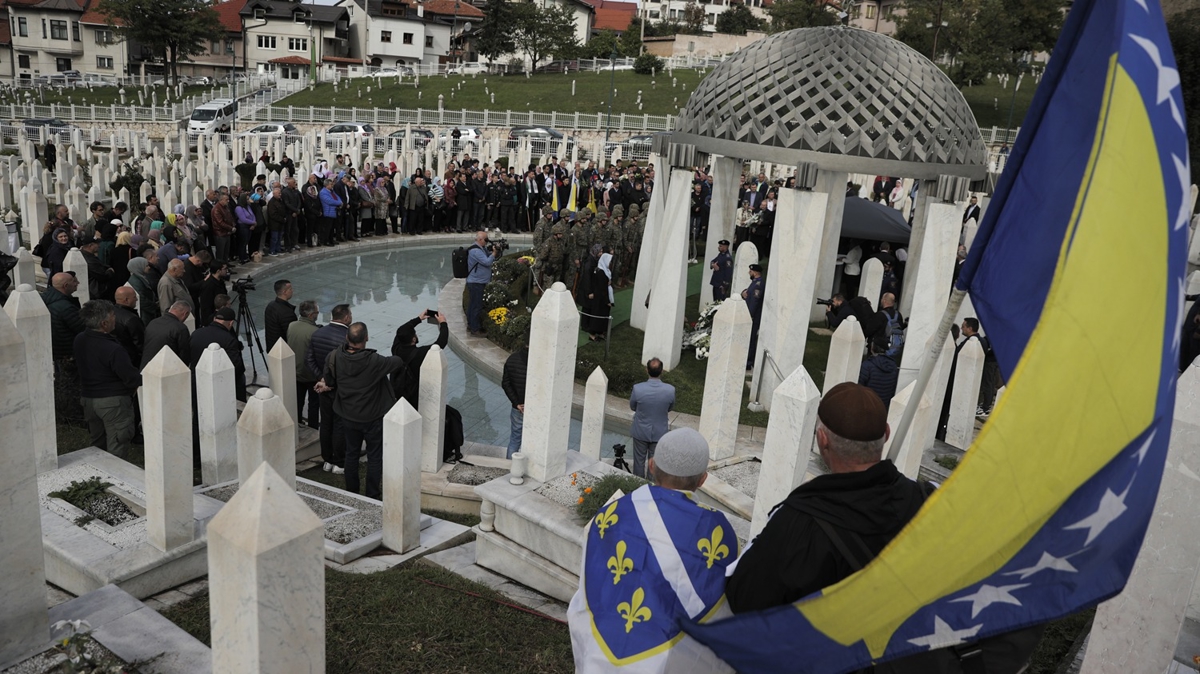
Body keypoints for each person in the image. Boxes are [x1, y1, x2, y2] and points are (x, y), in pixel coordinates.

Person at [726, 382, 925, 612]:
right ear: (887, 433)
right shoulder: (928, 502)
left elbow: (744, 597)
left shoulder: (796, 525)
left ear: (822, 439)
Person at [568, 427, 736, 674]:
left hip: (599, 654)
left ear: (651, 465)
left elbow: (592, 581)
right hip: (668, 659)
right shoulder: (718, 532)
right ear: (702, 480)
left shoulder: (610, 514)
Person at [315, 322, 408, 500]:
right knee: (374, 457)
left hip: (348, 416)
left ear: (347, 338)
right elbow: (396, 362)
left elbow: (330, 380)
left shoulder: (334, 357)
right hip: (373, 417)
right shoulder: (373, 360)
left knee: (351, 454)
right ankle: (372, 494)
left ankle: (352, 492)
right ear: (366, 338)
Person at [75, 300, 141, 460]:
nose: (115, 319)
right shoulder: (114, 349)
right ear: (104, 323)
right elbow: (129, 376)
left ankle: (98, 477)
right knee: (117, 444)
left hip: (89, 399)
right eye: (113, 316)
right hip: (113, 402)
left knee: (97, 443)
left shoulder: (80, 339)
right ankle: (114, 480)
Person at [307, 303, 352, 474]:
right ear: (346, 317)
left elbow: (309, 360)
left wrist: (322, 379)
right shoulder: (348, 337)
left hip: (323, 388)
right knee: (340, 425)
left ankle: (327, 459)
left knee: (325, 424)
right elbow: (347, 368)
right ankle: (339, 462)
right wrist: (331, 383)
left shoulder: (318, 333)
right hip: (340, 390)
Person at [389, 309, 449, 410]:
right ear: (413, 339)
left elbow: (400, 331)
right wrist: (443, 323)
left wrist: (418, 319)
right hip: (414, 395)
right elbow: (441, 343)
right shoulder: (420, 354)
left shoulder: (396, 348)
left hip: (398, 394)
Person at [629, 357, 675, 479]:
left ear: (647, 370)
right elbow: (669, 408)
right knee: (654, 464)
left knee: (638, 462)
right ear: (662, 371)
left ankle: (638, 485)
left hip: (640, 431)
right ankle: (651, 487)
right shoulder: (670, 390)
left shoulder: (637, 388)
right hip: (659, 432)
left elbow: (633, 406)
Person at [190, 306, 246, 402]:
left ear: (215, 319)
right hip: (220, 385)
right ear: (231, 323)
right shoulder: (229, 339)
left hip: (197, 381)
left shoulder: (196, 333)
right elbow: (236, 366)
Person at [287, 300, 322, 430]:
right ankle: (312, 428)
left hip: (295, 371)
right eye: (317, 312)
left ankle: (297, 424)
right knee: (314, 403)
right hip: (311, 375)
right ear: (311, 315)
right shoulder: (315, 331)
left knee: (298, 401)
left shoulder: (291, 326)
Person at [44, 272, 85, 361]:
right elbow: (82, 328)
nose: (77, 283)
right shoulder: (66, 308)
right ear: (66, 286)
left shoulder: (46, 298)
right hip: (66, 353)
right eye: (74, 281)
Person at [465, 230, 498, 335]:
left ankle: (471, 325)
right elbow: (487, 262)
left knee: (473, 304)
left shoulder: (481, 248)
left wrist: (496, 252)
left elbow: (491, 258)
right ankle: (475, 329)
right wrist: (493, 253)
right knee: (476, 306)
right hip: (476, 283)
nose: (487, 242)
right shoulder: (476, 251)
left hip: (478, 281)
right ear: (479, 240)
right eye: (485, 240)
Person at [142, 301, 192, 368]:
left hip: (147, 367)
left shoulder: (153, 322)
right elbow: (184, 354)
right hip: (167, 368)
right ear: (185, 314)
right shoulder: (180, 328)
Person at [501, 342, 528, 459]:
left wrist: (517, 403)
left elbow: (506, 384)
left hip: (518, 408)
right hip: (536, 409)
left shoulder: (512, 359)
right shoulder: (543, 361)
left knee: (515, 440)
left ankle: (508, 468)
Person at [858, 337, 900, 409]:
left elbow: (859, 387)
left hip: (867, 405)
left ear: (873, 347)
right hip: (883, 407)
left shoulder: (867, 365)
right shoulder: (893, 365)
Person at [111, 286, 145, 366]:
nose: (136, 299)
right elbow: (140, 343)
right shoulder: (132, 319)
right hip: (132, 360)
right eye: (134, 297)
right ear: (126, 300)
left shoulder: (110, 313)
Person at [263, 279, 297, 352]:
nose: (292, 291)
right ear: (284, 292)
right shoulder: (287, 313)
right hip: (283, 350)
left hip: (272, 347)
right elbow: (291, 335)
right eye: (290, 289)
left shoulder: (270, 305)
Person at [742, 264, 764, 371]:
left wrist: (749, 315)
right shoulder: (755, 283)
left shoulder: (758, 285)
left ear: (754, 272)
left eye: (750, 271)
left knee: (750, 338)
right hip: (750, 314)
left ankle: (748, 362)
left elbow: (755, 301)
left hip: (753, 316)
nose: (749, 273)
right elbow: (749, 293)